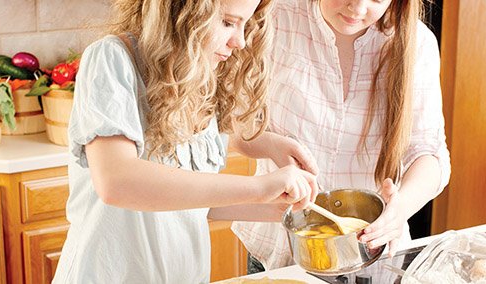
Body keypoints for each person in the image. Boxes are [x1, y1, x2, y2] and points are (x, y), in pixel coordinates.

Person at [52, 0, 320, 283]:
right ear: (182, 11)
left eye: (245, 24)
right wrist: (258, 187)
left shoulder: (200, 76)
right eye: (228, 22)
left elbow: (192, 201)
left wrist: (281, 207)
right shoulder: (112, 59)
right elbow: (117, 182)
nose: (240, 41)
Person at [231, 0, 451, 273]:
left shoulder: (418, 44)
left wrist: (400, 209)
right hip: (279, 253)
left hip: (373, 257)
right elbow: (230, 128)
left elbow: (429, 154)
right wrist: (268, 144)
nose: (357, 9)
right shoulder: (273, 17)